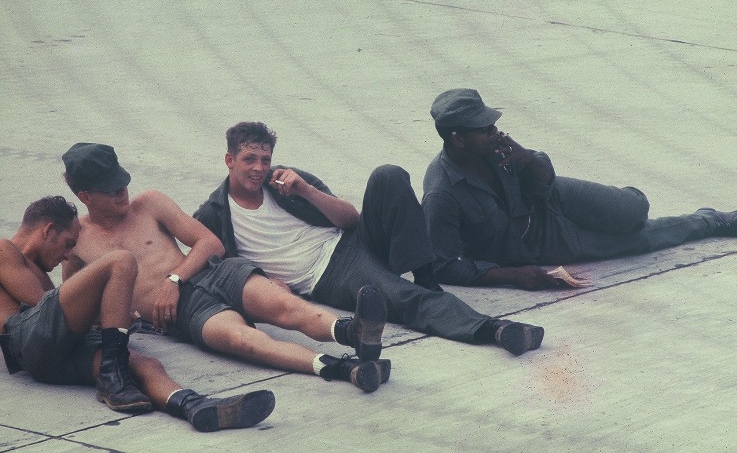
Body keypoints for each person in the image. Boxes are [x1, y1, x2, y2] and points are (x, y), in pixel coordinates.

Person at [193, 121, 545, 357]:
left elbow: (350, 219)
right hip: (329, 274)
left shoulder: (284, 181)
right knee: (403, 297)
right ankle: (494, 329)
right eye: (249, 159)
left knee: (388, 175)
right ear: (229, 160)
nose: (258, 168)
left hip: (352, 239)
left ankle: (425, 273)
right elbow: (214, 273)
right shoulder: (213, 214)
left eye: (264, 159)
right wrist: (264, 283)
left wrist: (305, 190)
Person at [60, 143, 390, 394]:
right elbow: (77, 309)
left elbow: (209, 243)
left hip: (215, 274)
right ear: (85, 196)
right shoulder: (78, 242)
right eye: (110, 188)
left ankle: (354, 332)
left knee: (287, 307)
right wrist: (119, 316)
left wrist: (173, 280)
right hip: (185, 312)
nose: (121, 191)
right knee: (243, 340)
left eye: (121, 182)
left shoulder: (149, 204)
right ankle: (345, 369)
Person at [422, 88, 737, 289]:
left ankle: (622, 213)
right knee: (639, 239)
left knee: (633, 210)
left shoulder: (494, 147)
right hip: (538, 241)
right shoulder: (442, 193)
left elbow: (544, 182)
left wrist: (527, 159)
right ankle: (710, 221)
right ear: (458, 139)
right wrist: (515, 275)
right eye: (485, 128)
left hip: (552, 198)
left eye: (493, 124)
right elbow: (443, 266)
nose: (495, 131)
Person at [0, 196, 275, 432]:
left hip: (51, 360)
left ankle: (195, 407)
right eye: (68, 243)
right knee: (121, 260)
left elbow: (56, 318)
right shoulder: (4, 249)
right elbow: (40, 306)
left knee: (145, 365)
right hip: (26, 338)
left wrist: (111, 317)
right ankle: (113, 373)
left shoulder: (34, 270)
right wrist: (105, 312)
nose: (68, 255)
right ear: (48, 230)